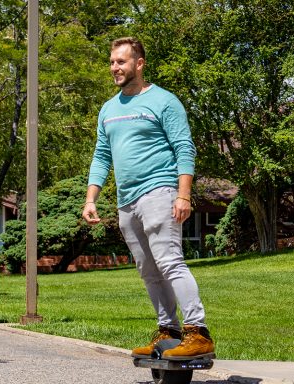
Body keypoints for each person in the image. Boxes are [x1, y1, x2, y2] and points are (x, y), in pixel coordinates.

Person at [82, 37, 215, 359]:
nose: (115, 68)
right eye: (112, 62)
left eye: (121, 62)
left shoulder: (164, 101)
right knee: (148, 270)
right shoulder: (109, 109)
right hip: (126, 201)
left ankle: (198, 332)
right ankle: (168, 331)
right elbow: (102, 155)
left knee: (170, 262)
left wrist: (184, 195)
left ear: (139, 64)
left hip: (159, 192)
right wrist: (90, 199)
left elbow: (185, 147)